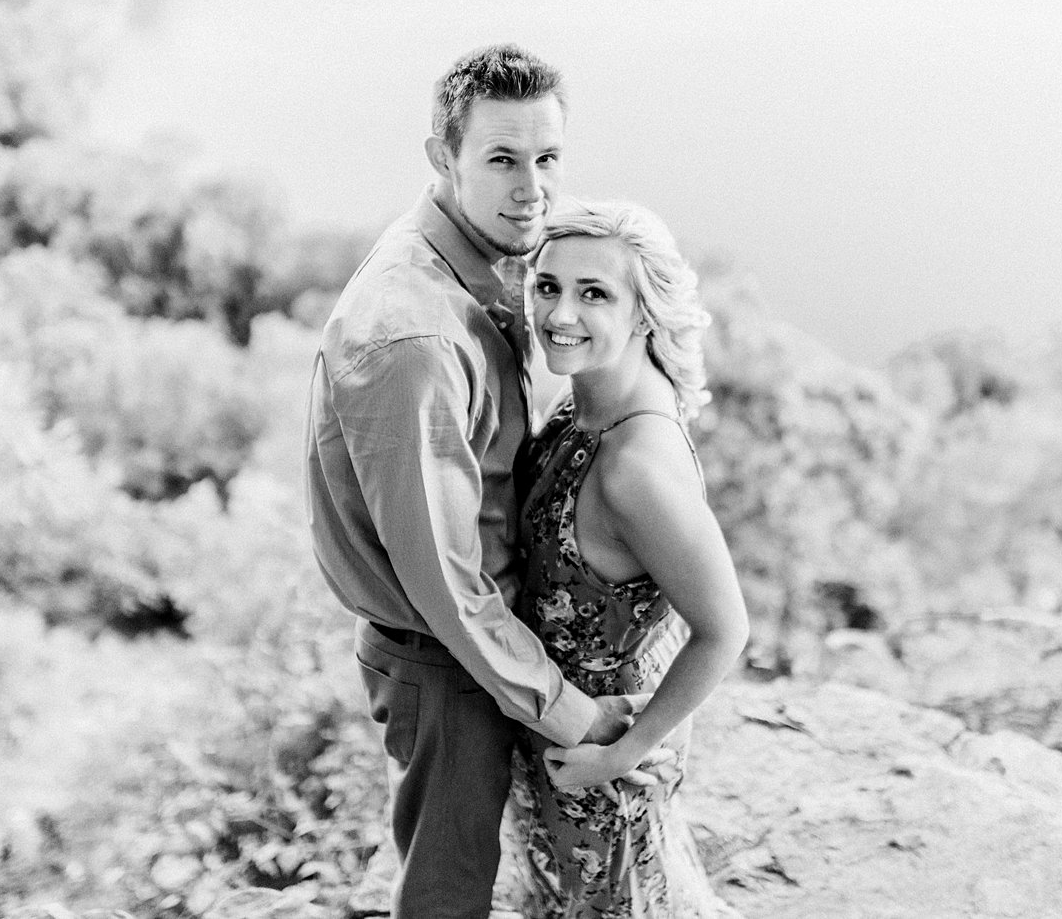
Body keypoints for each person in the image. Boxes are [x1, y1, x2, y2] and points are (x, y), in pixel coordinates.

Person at [303, 45, 652, 919]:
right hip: (449, 662)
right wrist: (567, 711)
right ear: (442, 159)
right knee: (448, 896)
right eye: (502, 159)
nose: (533, 187)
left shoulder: (486, 261)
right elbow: (446, 584)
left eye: (547, 157)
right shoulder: (415, 339)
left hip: (484, 650)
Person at [512, 199, 749, 917]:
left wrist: (623, 752)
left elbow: (725, 629)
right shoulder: (588, 401)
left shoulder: (633, 465)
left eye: (594, 294)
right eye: (547, 286)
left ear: (644, 313)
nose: (559, 313)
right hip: (559, 736)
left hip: (596, 762)